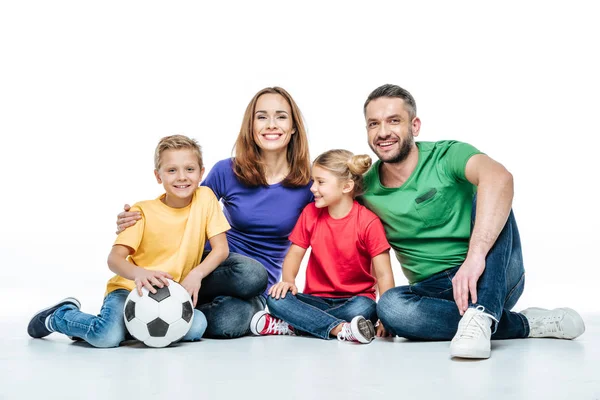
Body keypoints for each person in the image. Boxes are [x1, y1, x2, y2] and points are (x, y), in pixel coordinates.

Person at [359, 84, 586, 358]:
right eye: (374, 124)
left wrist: (475, 258)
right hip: (434, 293)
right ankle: (519, 323)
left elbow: (501, 178)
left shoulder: (447, 155)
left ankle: (483, 312)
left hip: (491, 272)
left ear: (414, 126)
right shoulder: (366, 188)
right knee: (391, 307)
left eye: (394, 121)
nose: (383, 132)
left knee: (491, 191)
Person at [116, 87, 313, 338]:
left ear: (294, 127)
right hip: (212, 269)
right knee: (248, 273)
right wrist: (140, 217)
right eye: (262, 117)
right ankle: (162, 306)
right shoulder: (227, 170)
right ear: (250, 127)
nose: (271, 125)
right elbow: (185, 203)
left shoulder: (309, 183)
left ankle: (184, 313)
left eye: (281, 116)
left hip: (259, 284)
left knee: (228, 320)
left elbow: (334, 225)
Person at [27, 135, 229, 347]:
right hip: (130, 288)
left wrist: (196, 275)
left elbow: (220, 249)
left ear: (201, 173)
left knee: (197, 326)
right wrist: (139, 273)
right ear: (158, 176)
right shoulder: (140, 212)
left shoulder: (205, 199)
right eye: (171, 170)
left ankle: (132, 328)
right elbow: (114, 259)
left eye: (189, 169)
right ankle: (61, 315)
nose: (182, 177)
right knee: (106, 337)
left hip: (169, 295)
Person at [250, 150, 395, 344]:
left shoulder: (368, 222)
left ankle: (296, 325)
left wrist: (386, 317)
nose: (312, 188)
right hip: (315, 300)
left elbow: (384, 274)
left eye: (320, 182)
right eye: (313, 181)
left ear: (346, 186)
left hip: (355, 300)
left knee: (365, 309)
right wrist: (288, 281)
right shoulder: (310, 213)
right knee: (276, 299)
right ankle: (341, 329)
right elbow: (294, 255)